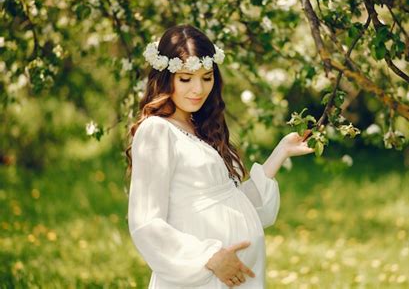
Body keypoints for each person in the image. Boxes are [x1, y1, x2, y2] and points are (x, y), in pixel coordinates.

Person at [125, 24, 314, 288]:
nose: (198, 89)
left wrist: (280, 153)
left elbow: (230, 202)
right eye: (185, 78)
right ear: (167, 78)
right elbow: (146, 223)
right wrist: (210, 258)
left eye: (206, 77)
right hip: (199, 277)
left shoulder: (201, 127)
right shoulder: (157, 131)